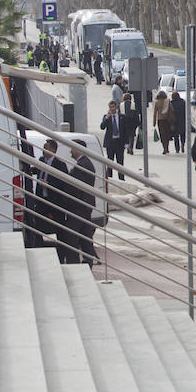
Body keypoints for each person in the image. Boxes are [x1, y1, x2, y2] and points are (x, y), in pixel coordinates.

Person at [31, 139, 70, 259]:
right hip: (42, 200)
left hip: (55, 201)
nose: (43, 150)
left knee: (60, 228)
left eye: (46, 147)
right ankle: (39, 247)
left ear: (53, 150)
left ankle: (62, 254)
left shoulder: (60, 165)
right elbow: (36, 171)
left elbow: (63, 183)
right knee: (35, 222)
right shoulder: (42, 161)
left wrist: (49, 184)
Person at [67, 139, 98, 267]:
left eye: (72, 148)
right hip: (84, 205)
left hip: (79, 206)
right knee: (85, 235)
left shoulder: (82, 165)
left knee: (71, 235)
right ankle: (88, 260)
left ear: (78, 149)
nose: (70, 151)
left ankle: (74, 263)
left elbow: (76, 187)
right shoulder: (84, 163)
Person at [100, 100, 127, 180]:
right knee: (110, 162)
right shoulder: (106, 116)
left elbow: (125, 131)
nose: (112, 109)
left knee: (120, 162)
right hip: (110, 143)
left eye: (113, 107)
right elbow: (102, 127)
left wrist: (127, 143)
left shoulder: (122, 117)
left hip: (119, 142)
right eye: (110, 107)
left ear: (116, 107)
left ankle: (121, 179)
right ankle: (110, 179)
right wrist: (107, 118)